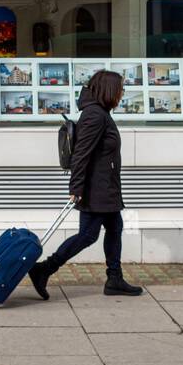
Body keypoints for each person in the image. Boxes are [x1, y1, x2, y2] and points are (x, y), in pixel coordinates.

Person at [28, 69, 143, 299]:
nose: (121, 94)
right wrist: (76, 188)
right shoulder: (95, 115)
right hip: (95, 188)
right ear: (109, 90)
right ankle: (43, 269)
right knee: (87, 235)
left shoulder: (98, 113)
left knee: (115, 228)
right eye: (120, 89)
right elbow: (81, 154)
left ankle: (115, 278)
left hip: (105, 187)